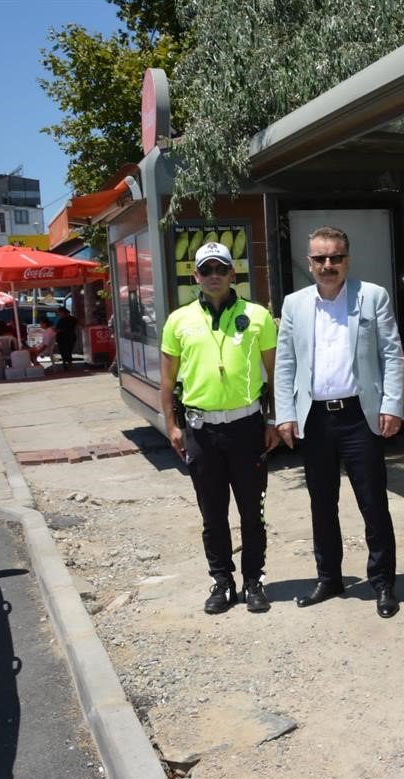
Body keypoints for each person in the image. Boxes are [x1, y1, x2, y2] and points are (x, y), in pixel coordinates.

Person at [273, 226, 404, 618]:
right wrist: (285, 414)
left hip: (359, 417)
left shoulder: (372, 297)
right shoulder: (295, 305)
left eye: (335, 257)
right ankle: (329, 577)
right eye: (320, 258)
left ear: (347, 259)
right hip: (314, 419)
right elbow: (285, 363)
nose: (327, 265)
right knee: (322, 504)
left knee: (373, 503)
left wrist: (393, 405)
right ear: (309, 262)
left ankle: (383, 582)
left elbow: (392, 354)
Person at [160, 241, 279, 615]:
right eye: (206, 270)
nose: (213, 276)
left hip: (247, 428)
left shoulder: (257, 316)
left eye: (220, 269)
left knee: (251, 513)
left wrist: (274, 420)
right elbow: (167, 381)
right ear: (195, 276)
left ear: (232, 274)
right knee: (213, 514)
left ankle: (253, 581)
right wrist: (172, 426)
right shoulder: (178, 320)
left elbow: (276, 374)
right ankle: (222, 583)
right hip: (201, 431)